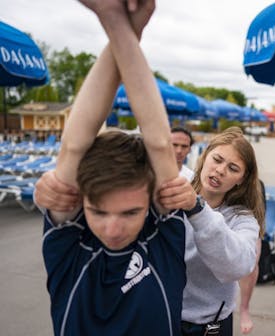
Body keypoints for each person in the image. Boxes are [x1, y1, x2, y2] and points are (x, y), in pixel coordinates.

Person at [33, 1, 186, 336]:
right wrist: (122, 24)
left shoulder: (161, 240)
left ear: (150, 203)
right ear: (81, 201)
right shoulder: (68, 249)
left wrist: (116, 20)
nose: (113, 229)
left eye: (130, 213)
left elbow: (160, 143)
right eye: (98, 212)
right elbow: (74, 144)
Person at [158, 126, 264, 336]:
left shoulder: (242, 219)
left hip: (208, 326)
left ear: (241, 179)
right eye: (217, 159)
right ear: (204, 156)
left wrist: (197, 209)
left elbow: (238, 267)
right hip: (160, 314)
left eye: (233, 168)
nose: (221, 170)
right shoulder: (170, 194)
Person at [238, 179, 265, 334]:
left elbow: (260, 214)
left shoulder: (256, 185)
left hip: (250, 223)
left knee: (251, 264)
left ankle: (244, 308)